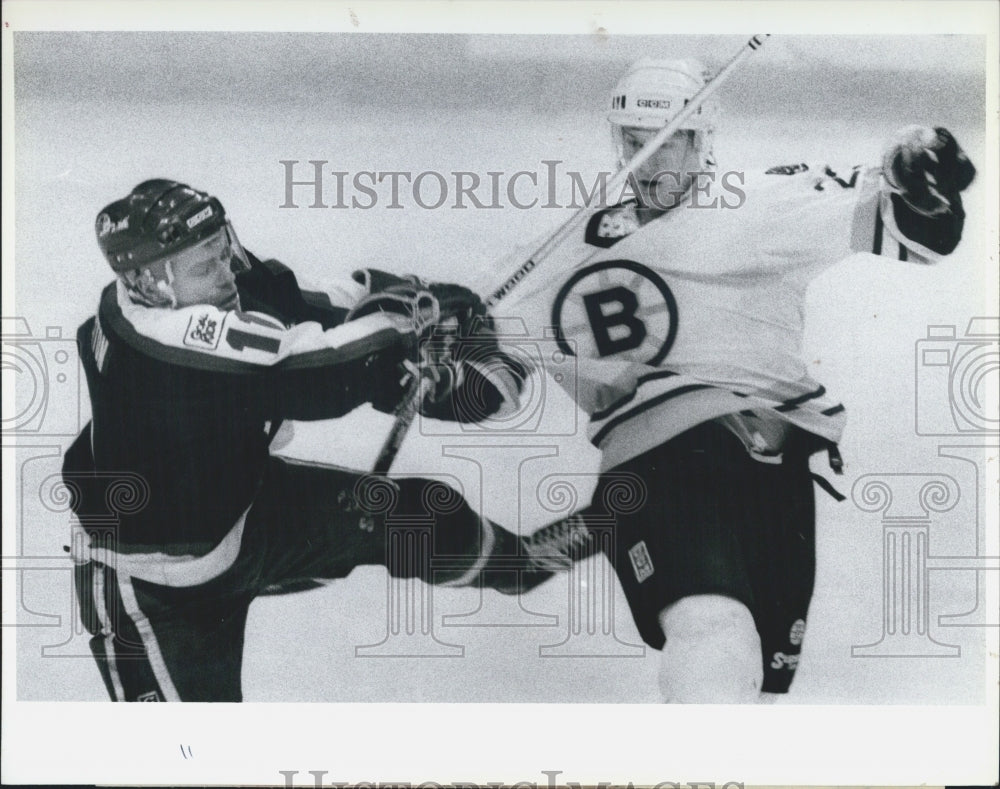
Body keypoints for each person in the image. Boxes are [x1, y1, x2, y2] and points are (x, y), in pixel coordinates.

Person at [497, 58, 977, 702]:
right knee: (713, 632)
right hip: (659, 453)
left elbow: (924, 235)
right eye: (633, 144)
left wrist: (925, 172)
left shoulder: (764, 200)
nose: (647, 163)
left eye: (666, 144)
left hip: (774, 459)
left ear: (703, 139)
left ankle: (599, 528)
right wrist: (432, 345)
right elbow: (484, 372)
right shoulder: (567, 249)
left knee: (757, 692)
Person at [62, 178, 544, 702]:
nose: (227, 272)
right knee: (186, 760)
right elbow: (315, 373)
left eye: (223, 250)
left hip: (245, 512)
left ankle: (521, 565)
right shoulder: (166, 344)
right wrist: (406, 330)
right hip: (153, 587)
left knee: (426, 514)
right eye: (207, 265)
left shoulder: (188, 288)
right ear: (148, 282)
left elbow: (296, 301)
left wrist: (394, 293)